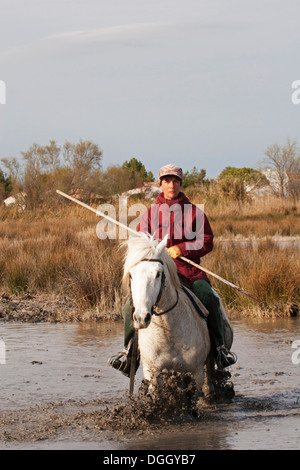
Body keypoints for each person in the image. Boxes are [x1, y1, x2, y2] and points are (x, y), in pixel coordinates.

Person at [109, 163, 236, 376]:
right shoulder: (149, 215)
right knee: (129, 306)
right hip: (157, 274)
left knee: (210, 299)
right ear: (160, 184)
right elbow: (141, 246)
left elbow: (206, 241)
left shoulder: (194, 212)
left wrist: (182, 248)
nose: (171, 184)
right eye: (167, 181)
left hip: (188, 271)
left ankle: (219, 351)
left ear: (180, 183)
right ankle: (129, 355)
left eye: (175, 180)